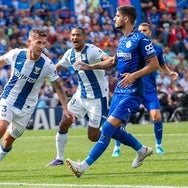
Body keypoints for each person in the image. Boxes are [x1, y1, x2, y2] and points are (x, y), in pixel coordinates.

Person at [0, 28, 75, 180]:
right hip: (9, 99)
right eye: (38, 42)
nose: (41, 46)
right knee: (0, 127)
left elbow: (58, 86)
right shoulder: (16, 54)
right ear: (29, 42)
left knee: (8, 140)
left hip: (27, 107)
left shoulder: (47, 65)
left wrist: (65, 108)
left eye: (44, 43)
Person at [65, 5, 159, 178]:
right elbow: (113, 61)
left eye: (117, 16)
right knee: (113, 130)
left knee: (107, 127)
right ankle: (142, 149)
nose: (113, 19)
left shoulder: (141, 39)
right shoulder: (123, 40)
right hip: (119, 92)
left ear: (125, 19)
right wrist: (89, 67)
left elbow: (154, 64)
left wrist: (133, 76)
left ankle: (82, 166)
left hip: (132, 93)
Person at [111, 22, 179, 157]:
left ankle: (158, 145)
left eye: (145, 30)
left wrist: (170, 73)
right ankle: (116, 147)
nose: (142, 32)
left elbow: (162, 65)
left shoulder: (157, 49)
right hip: (132, 88)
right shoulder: (131, 44)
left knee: (156, 116)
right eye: (140, 30)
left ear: (150, 32)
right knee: (120, 119)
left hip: (149, 90)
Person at [47, 27, 109, 166]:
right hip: (81, 96)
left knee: (93, 137)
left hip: (97, 98)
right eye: (73, 35)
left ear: (84, 37)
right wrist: (44, 74)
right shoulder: (70, 53)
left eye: (78, 35)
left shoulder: (92, 50)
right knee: (64, 123)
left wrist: (90, 66)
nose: (75, 38)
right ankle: (59, 158)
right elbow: (59, 66)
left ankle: (115, 134)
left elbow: (110, 61)